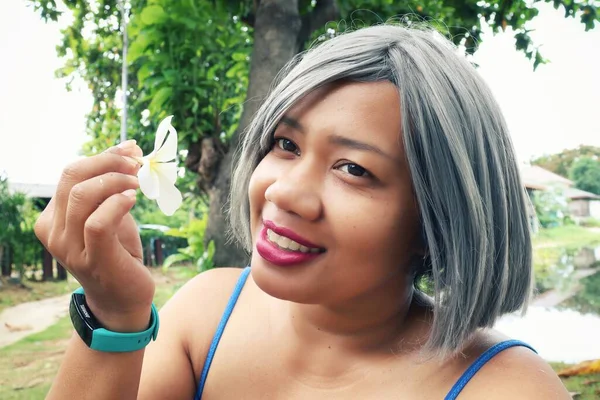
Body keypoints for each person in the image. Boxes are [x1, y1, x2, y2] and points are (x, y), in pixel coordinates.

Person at [35, 24, 571, 399]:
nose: (283, 192)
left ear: (436, 222)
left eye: (353, 169)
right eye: (286, 145)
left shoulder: (506, 388)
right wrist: (114, 315)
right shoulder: (204, 315)